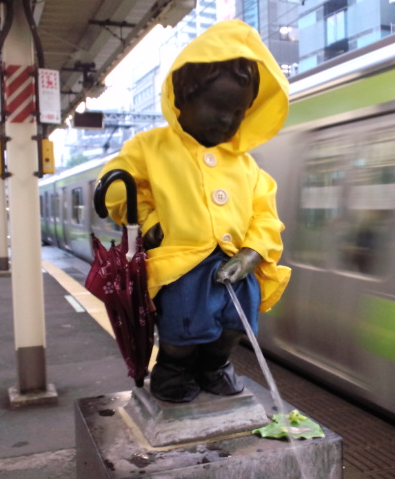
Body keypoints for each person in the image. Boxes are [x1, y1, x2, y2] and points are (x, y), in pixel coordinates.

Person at [98, 20, 290, 403]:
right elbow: (119, 190)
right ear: (182, 97)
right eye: (218, 107)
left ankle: (215, 366)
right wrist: (149, 221)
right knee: (184, 327)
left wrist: (253, 252)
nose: (228, 120)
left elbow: (265, 215)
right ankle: (174, 370)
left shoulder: (246, 165)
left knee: (236, 325)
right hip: (183, 262)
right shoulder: (150, 147)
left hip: (236, 263)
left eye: (239, 111)